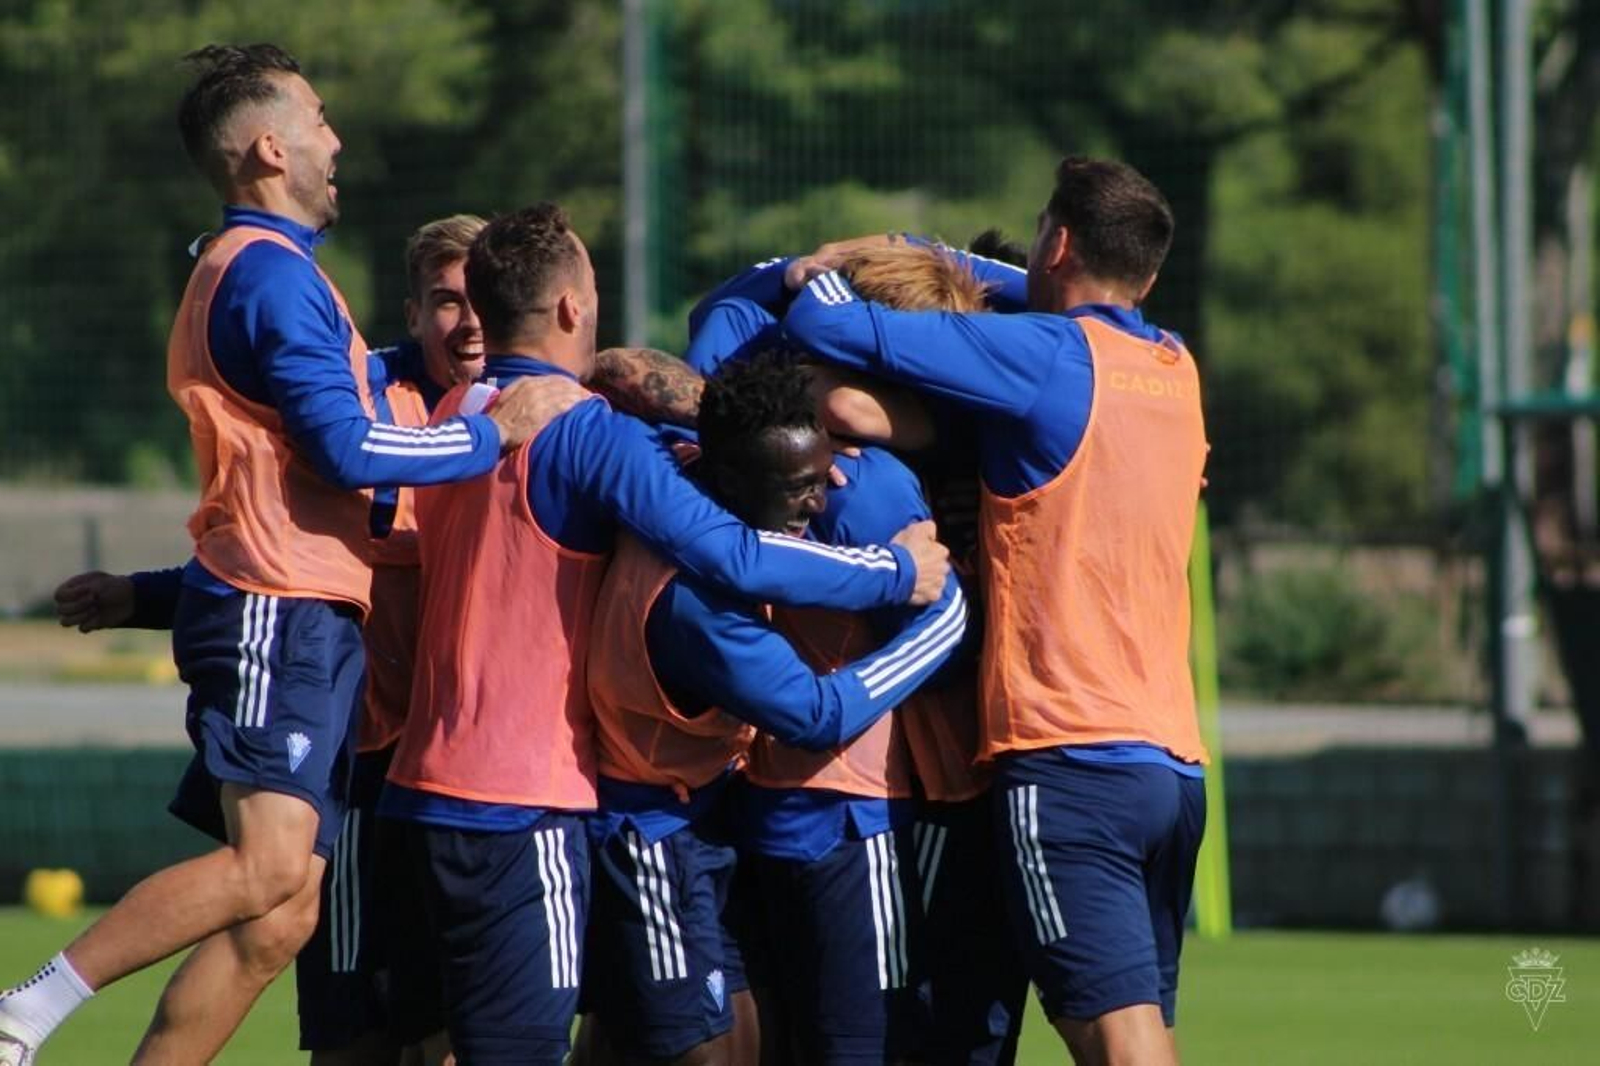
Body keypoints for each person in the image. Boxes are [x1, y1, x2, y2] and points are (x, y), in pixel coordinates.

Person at [0, 46, 569, 1066]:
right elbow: (343, 450)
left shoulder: (269, 271)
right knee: (269, 876)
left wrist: (136, 595)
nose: (335, 138)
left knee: (279, 911)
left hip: (309, 631)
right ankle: (23, 1014)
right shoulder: (272, 276)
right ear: (270, 146)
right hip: (282, 611)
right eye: (317, 117)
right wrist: (499, 433)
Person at [378, 202, 948, 1066]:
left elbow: (700, 338)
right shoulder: (584, 433)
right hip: (524, 795)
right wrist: (905, 575)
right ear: (572, 304)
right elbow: (734, 557)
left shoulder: (466, 406)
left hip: (433, 781)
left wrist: (773, 293)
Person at [784, 156, 1210, 1066]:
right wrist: (936, 253)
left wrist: (850, 255)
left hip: (1068, 759)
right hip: (1171, 769)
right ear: (1150, 271)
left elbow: (822, 315)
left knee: (1113, 1038)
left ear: (1056, 241)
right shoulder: (1174, 367)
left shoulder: (1044, 357)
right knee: (1137, 1027)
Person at [582, 347, 966, 1066]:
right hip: (658, 836)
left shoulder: (681, 468)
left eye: (821, 479)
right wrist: (943, 619)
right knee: (713, 1050)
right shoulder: (698, 608)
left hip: (715, 820)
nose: (820, 503)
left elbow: (624, 367)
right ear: (732, 480)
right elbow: (817, 713)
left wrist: (792, 446)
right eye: (797, 488)